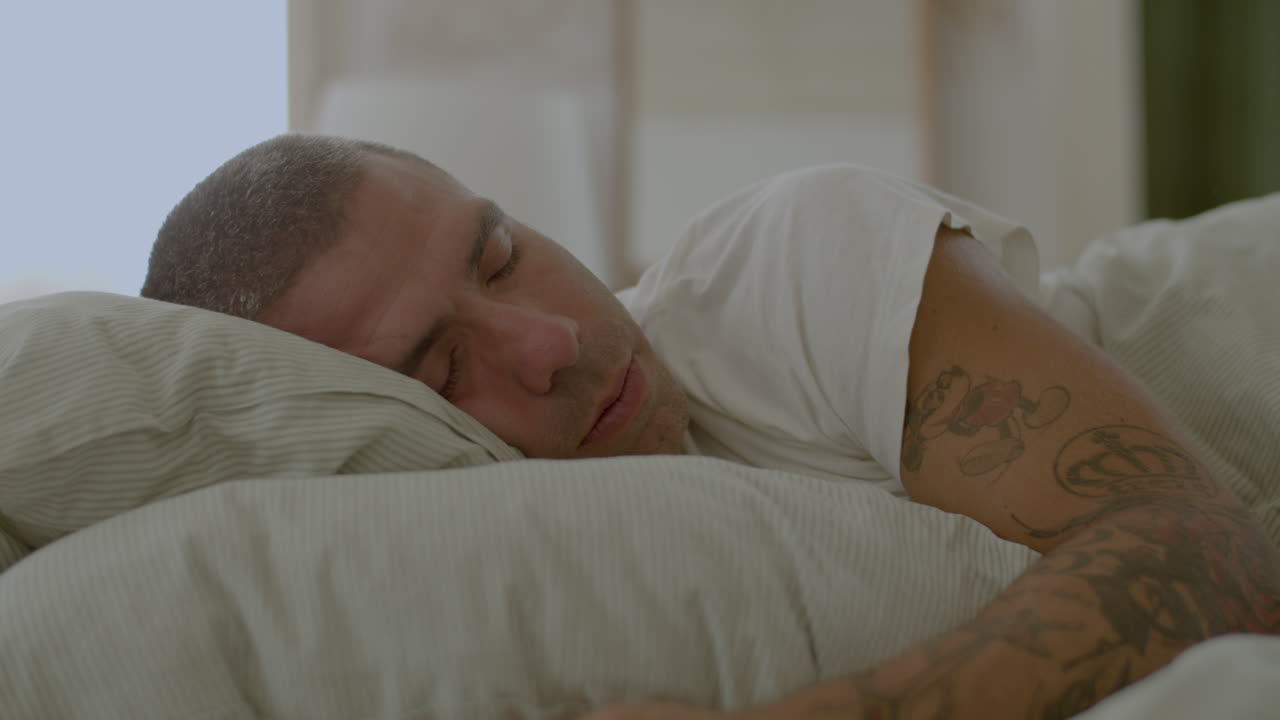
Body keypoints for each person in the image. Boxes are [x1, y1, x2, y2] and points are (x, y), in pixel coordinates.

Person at [142, 134, 1280, 719]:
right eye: (441, 366)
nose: (542, 340)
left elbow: (1208, 549)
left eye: (502, 254)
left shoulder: (775, 262)